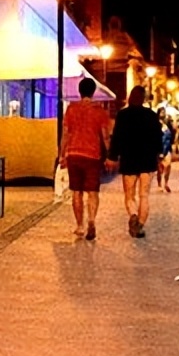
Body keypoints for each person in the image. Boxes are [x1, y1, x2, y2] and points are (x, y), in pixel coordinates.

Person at [58, 77, 112, 241]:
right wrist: (110, 155)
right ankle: (91, 220)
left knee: (76, 191)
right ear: (93, 91)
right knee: (93, 192)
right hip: (92, 155)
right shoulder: (100, 111)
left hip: (73, 153)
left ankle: (80, 226)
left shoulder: (71, 109)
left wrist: (62, 154)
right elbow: (105, 137)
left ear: (79, 91)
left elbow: (65, 134)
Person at [107, 86, 163, 238]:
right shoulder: (151, 116)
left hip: (129, 158)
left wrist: (113, 156)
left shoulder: (123, 115)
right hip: (147, 159)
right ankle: (140, 225)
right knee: (144, 195)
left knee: (129, 195)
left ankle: (133, 215)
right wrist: (159, 156)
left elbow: (117, 137)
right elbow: (158, 138)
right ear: (144, 98)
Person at [157, 108, 174, 193]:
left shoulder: (168, 123)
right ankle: (160, 184)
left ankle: (166, 183)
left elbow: (173, 134)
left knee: (168, 166)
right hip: (159, 147)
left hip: (168, 148)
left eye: (164, 112)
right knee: (160, 168)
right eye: (161, 112)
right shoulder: (155, 123)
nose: (163, 114)